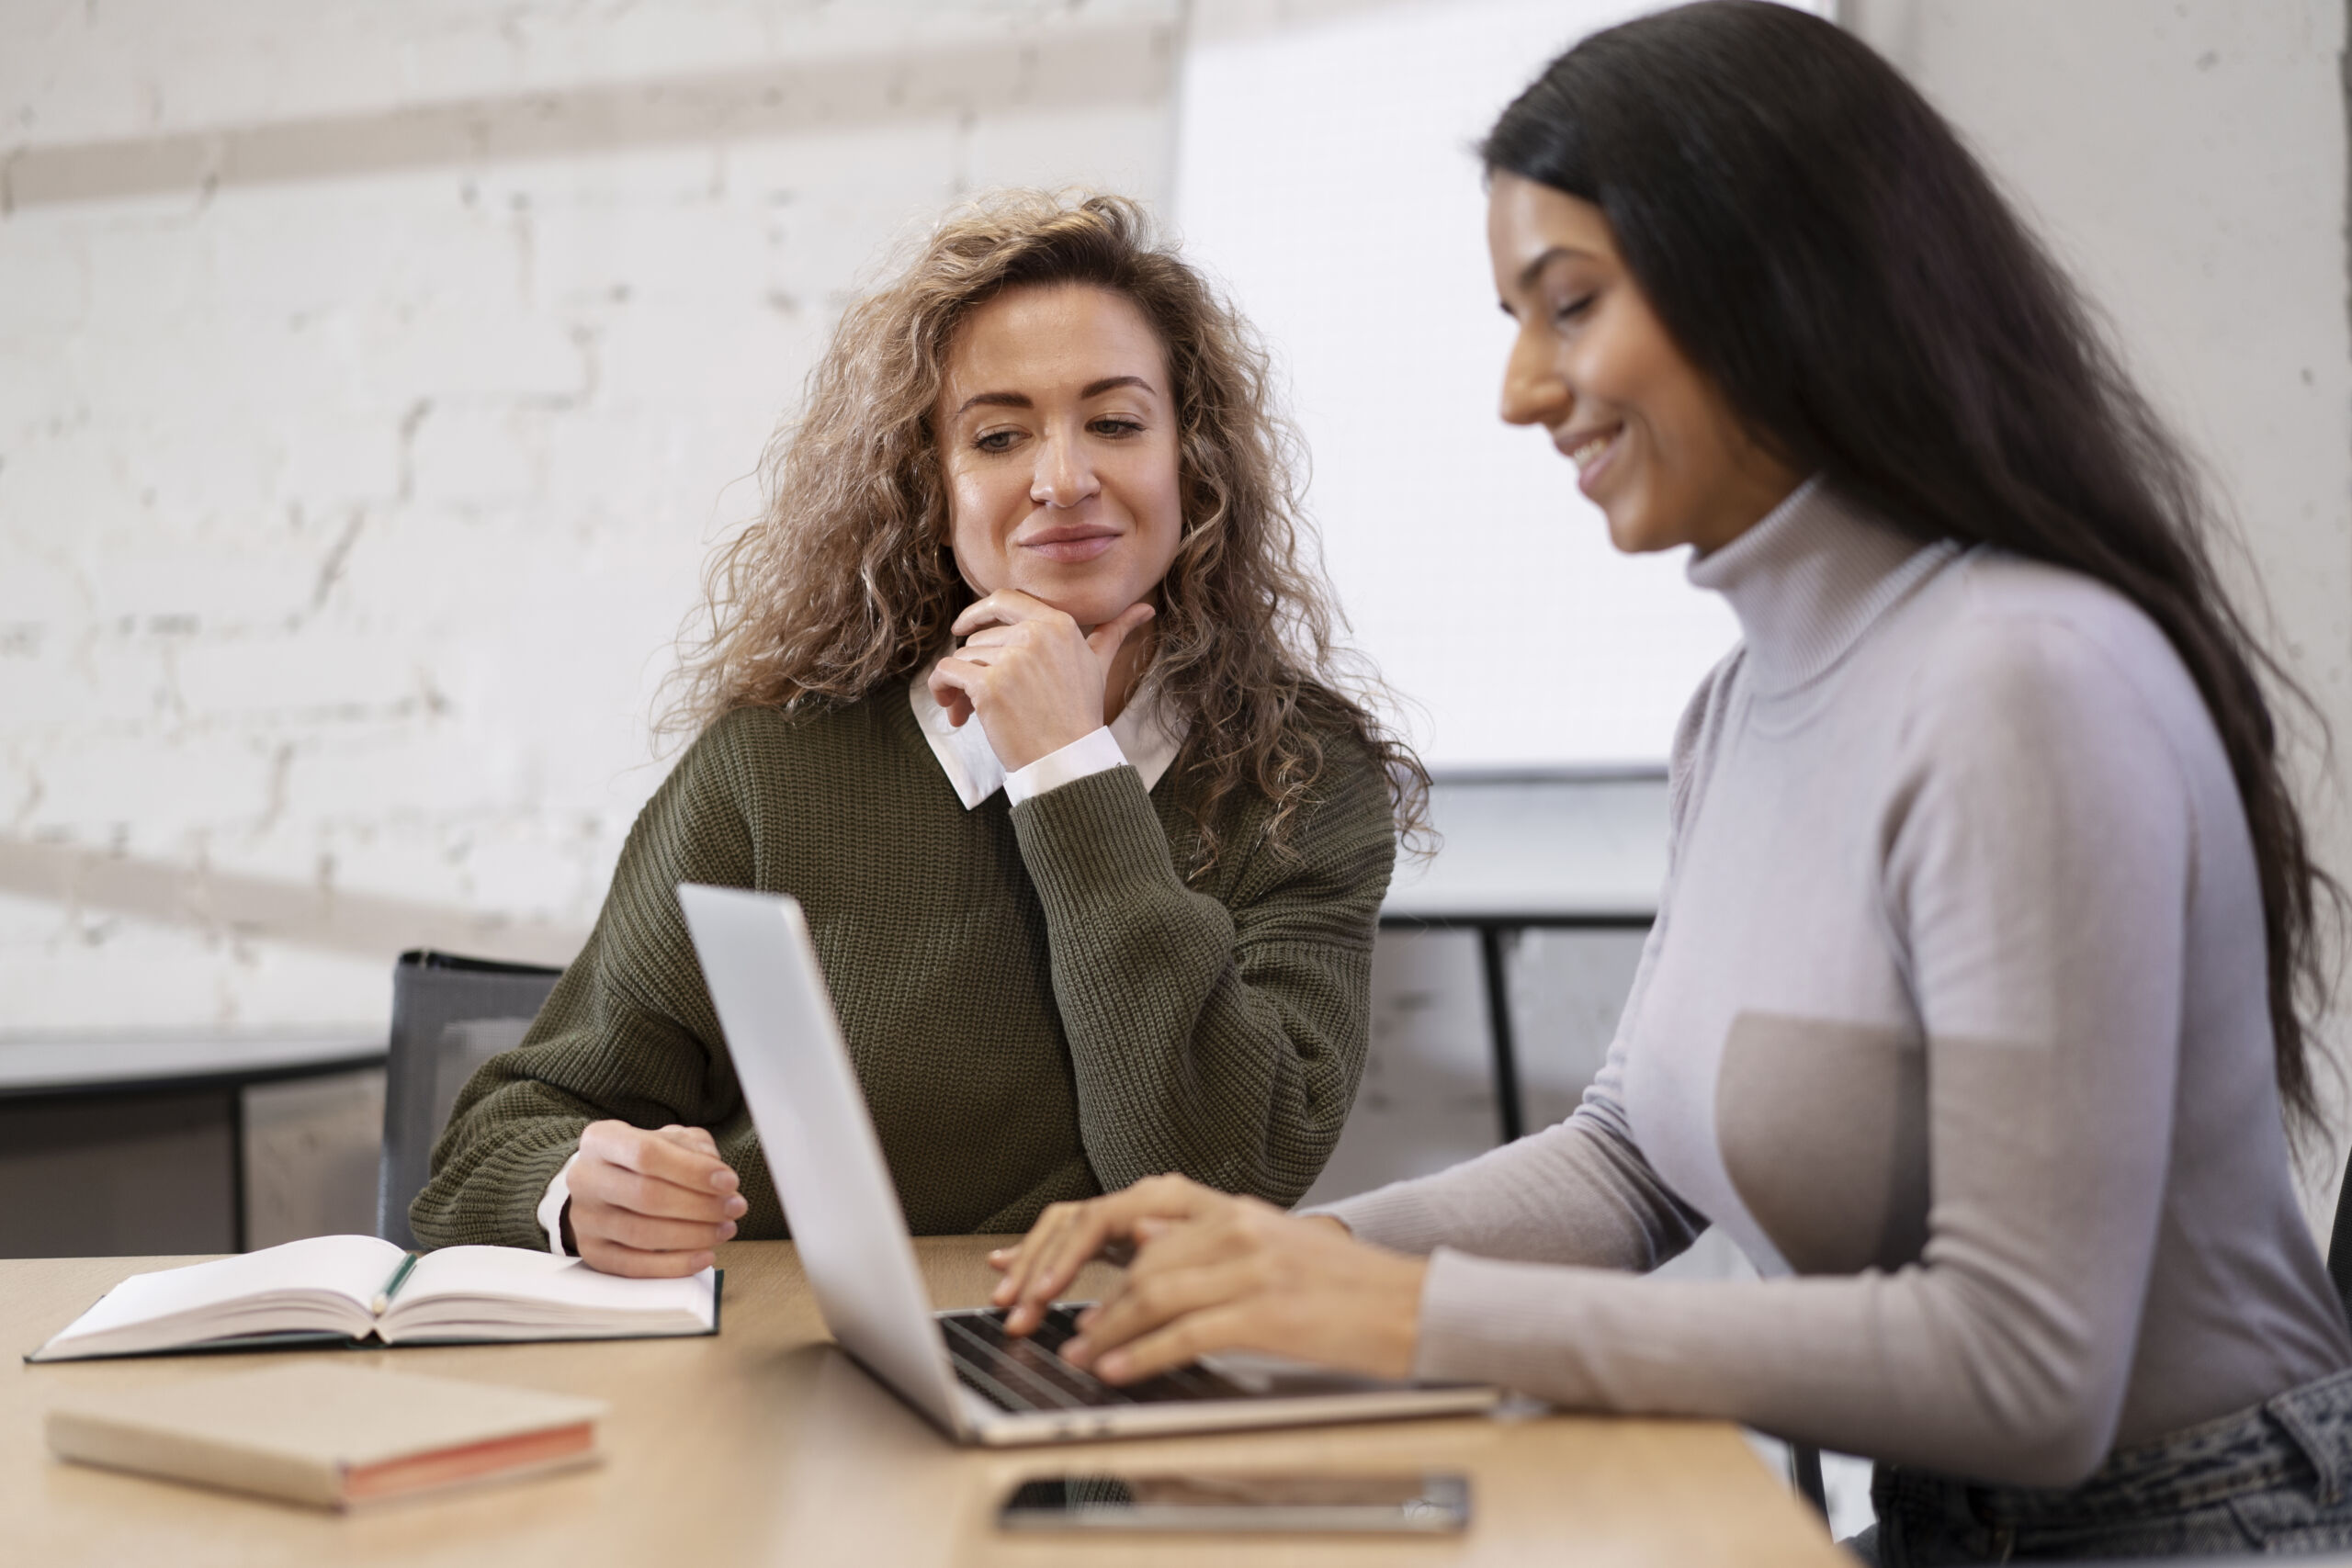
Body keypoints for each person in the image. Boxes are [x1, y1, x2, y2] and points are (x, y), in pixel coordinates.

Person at [985, 6, 2352, 1560]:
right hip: (1937, 1526)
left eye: (1567, 306)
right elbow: (1634, 1159)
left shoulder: (2029, 680)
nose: (1520, 387)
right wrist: (1270, 1259)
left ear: (1780, 284)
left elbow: (2030, 1369)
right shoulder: (1741, 704)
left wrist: (1419, 1314)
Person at [412, 192, 1423, 1280]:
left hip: (1094, 1377)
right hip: (780, 1372)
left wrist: (1067, 768)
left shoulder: (1299, 780)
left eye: (1117, 423)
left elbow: (1223, 1177)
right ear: (932, 483)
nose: (1063, 479)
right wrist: (578, 1194)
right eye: (998, 436)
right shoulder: (775, 766)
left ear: (1196, 459)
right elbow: (490, 1148)